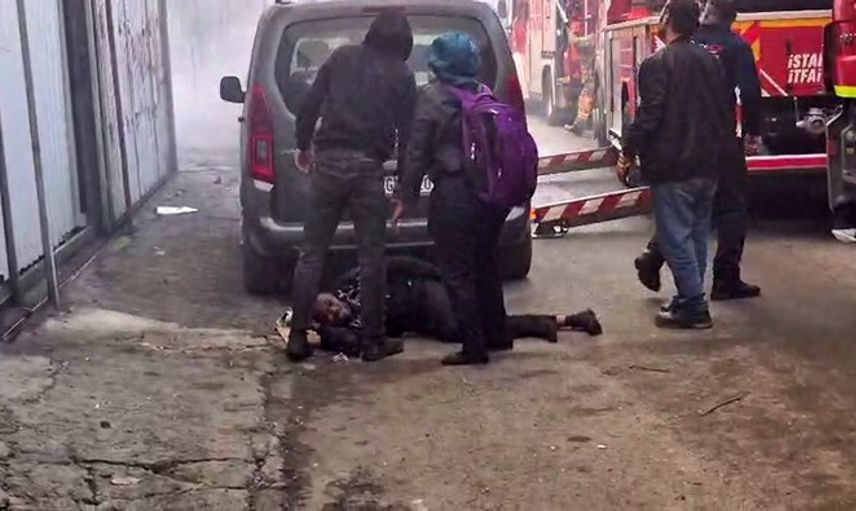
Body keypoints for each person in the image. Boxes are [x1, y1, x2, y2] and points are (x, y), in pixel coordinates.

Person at [287, 12, 417, 363]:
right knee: (372, 257)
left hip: (328, 164)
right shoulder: (403, 75)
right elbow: (408, 137)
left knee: (311, 253)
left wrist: (303, 145)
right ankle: (373, 342)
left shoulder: (341, 57)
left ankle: (297, 337)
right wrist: (404, 188)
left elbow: (310, 106)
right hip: (367, 169)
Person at [393, 33, 510, 365]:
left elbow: (417, 151)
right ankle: (497, 333)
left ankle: (474, 347)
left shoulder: (431, 98)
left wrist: (405, 197)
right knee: (486, 264)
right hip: (491, 194)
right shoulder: (484, 93)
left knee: (457, 273)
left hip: (455, 193)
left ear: (438, 65)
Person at [634, 0, 763, 302]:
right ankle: (723, 279)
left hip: (677, 143)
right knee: (731, 206)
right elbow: (750, 93)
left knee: (679, 210)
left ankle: (655, 256)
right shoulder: (735, 47)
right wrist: (752, 131)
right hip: (719, 140)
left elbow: (652, 109)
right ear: (732, 17)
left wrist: (635, 149)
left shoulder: (683, 46)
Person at [618, 0, 732, 329]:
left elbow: (650, 115)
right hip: (707, 164)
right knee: (696, 235)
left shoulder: (657, 64)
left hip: (673, 166)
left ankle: (694, 306)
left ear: (668, 19)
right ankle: (688, 295)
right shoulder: (712, 60)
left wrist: (628, 151)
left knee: (674, 239)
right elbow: (724, 111)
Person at [303, 256, 602, 357]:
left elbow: (395, 264)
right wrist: (324, 334)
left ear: (329, 293)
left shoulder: (350, 281)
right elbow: (352, 345)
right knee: (482, 326)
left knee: (468, 330)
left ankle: (562, 321)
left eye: (329, 304)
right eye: (328, 316)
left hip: (426, 292)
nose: (334, 310)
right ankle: (566, 320)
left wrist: (437, 275)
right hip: (426, 319)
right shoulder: (353, 331)